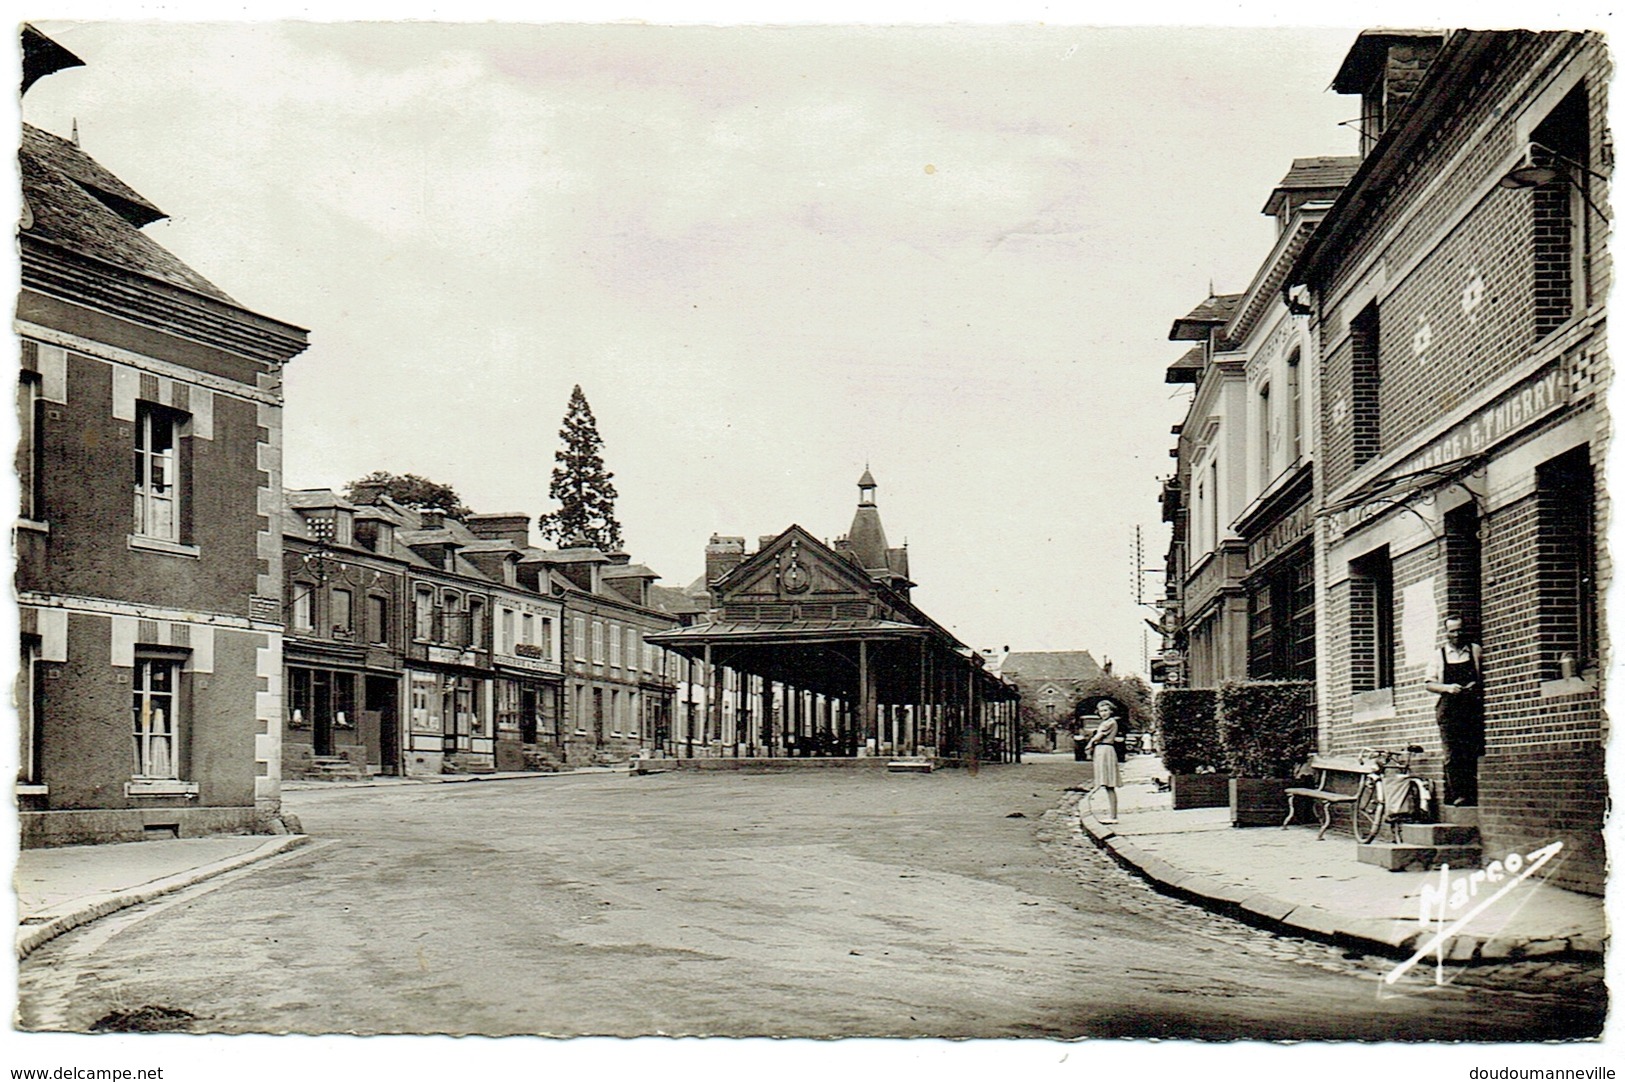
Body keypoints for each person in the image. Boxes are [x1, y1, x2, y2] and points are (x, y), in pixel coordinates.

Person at [1425, 613, 1484, 806]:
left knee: (1472, 749)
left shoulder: (1475, 651)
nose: (1457, 635)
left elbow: (1483, 674)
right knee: (1453, 753)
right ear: (1446, 633)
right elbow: (1429, 684)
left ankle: (1474, 792)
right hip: (1449, 710)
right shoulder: (1439, 655)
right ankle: (1459, 793)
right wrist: (1448, 688)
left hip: (1472, 708)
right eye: (1452, 631)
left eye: (1460, 630)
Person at [1083, 699, 1121, 823]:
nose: (1103, 713)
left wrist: (1089, 745)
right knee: (1107, 784)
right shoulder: (1106, 722)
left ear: (1111, 711)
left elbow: (1098, 737)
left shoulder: (1109, 723)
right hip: (1101, 750)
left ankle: (1113, 816)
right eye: (1101, 711)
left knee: (1108, 783)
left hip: (1105, 750)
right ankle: (1112, 815)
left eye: (1105, 710)